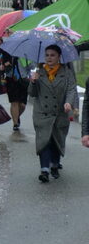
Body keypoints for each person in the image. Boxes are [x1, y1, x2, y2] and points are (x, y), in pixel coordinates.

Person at [29, 45, 78, 183]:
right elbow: (32, 94)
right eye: (47, 55)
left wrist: (69, 103)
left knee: (56, 140)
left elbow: (71, 89)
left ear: (59, 57)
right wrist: (33, 82)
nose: (49, 58)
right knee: (44, 140)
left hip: (60, 113)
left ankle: (54, 164)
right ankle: (44, 170)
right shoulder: (39, 72)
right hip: (42, 113)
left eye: (52, 55)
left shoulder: (67, 72)